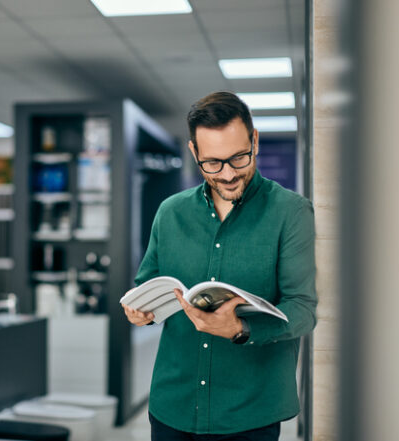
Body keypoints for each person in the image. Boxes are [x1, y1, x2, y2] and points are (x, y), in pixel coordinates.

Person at [122, 91, 317, 441]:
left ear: (254, 140)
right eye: (212, 163)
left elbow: (303, 308)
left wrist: (241, 328)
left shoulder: (291, 212)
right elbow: (147, 281)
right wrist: (140, 308)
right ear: (194, 152)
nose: (227, 174)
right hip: (172, 405)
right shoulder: (171, 212)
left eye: (239, 158)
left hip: (249, 413)